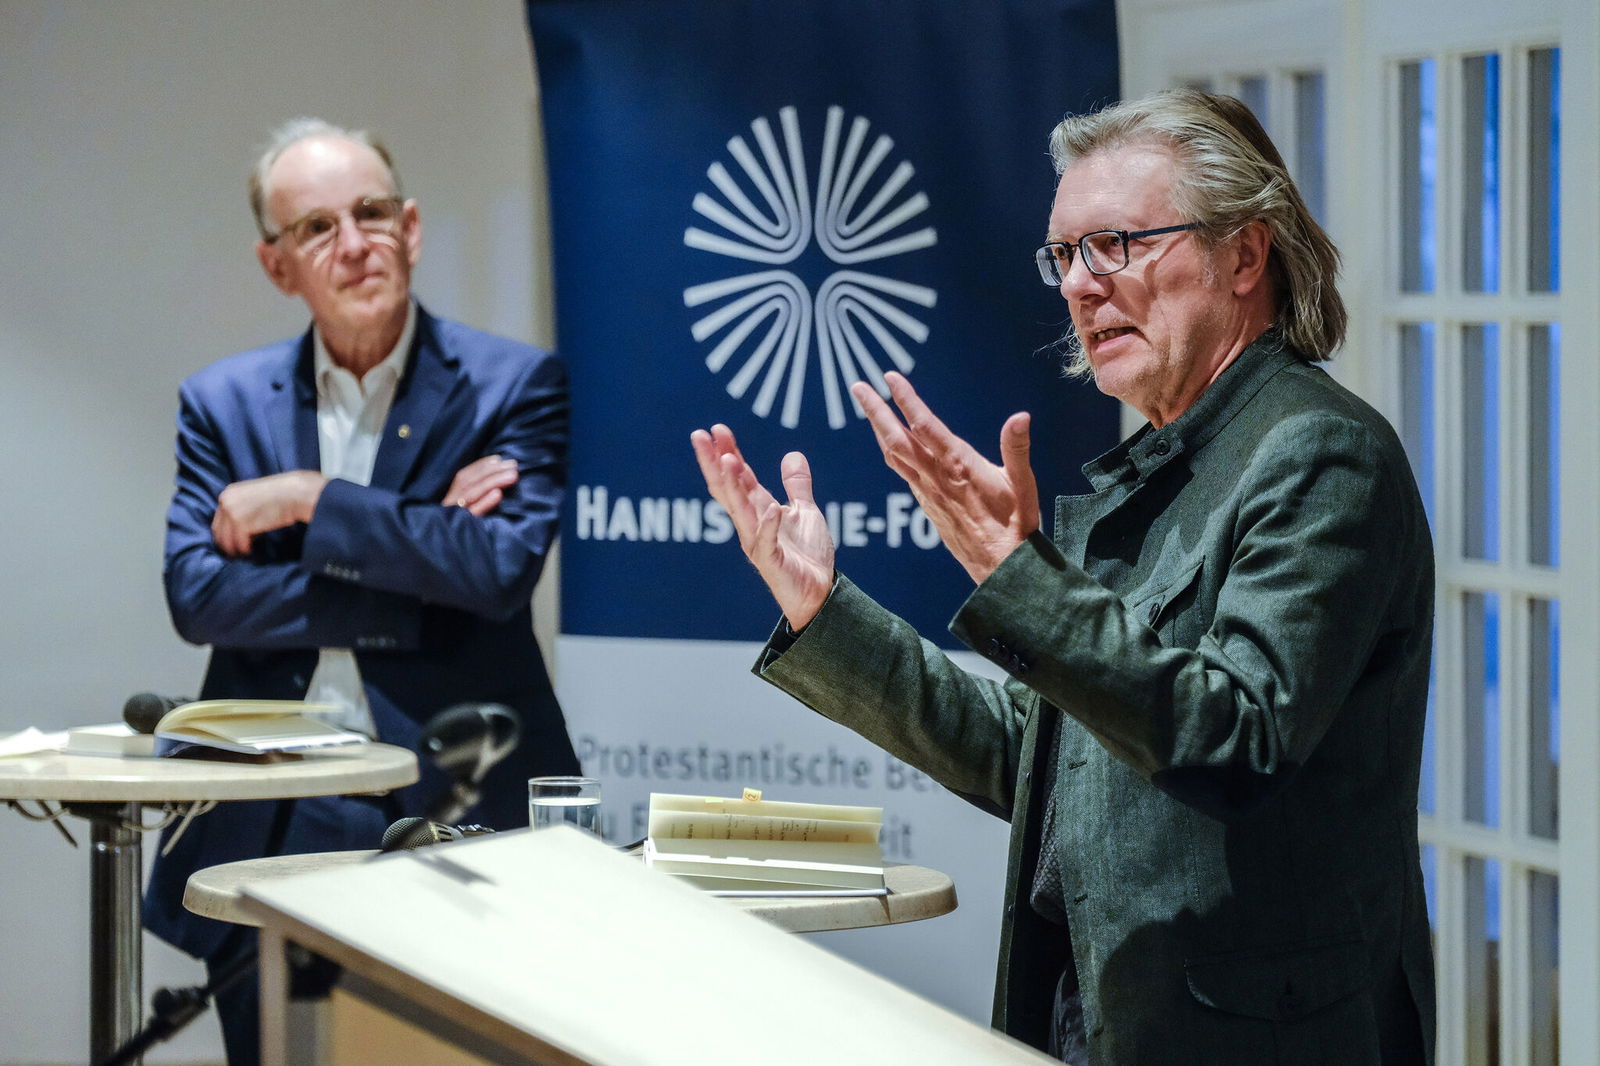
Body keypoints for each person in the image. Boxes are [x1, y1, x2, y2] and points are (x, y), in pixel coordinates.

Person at [692, 89, 1435, 1065]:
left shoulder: (1317, 454)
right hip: (1103, 1006)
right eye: (1065, 254)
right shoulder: (1168, 460)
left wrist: (1019, 577)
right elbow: (1049, 767)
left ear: (1244, 255)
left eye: (1117, 243)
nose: (1081, 285)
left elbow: (1233, 740)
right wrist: (823, 612)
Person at [143, 118, 580, 1064]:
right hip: (275, 802)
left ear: (411, 227)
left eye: (373, 213)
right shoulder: (219, 402)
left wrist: (311, 502)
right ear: (276, 265)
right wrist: (418, 554)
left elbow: (498, 572)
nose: (354, 244)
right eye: (316, 228)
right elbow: (197, 594)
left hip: (456, 787)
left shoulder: (511, 386)